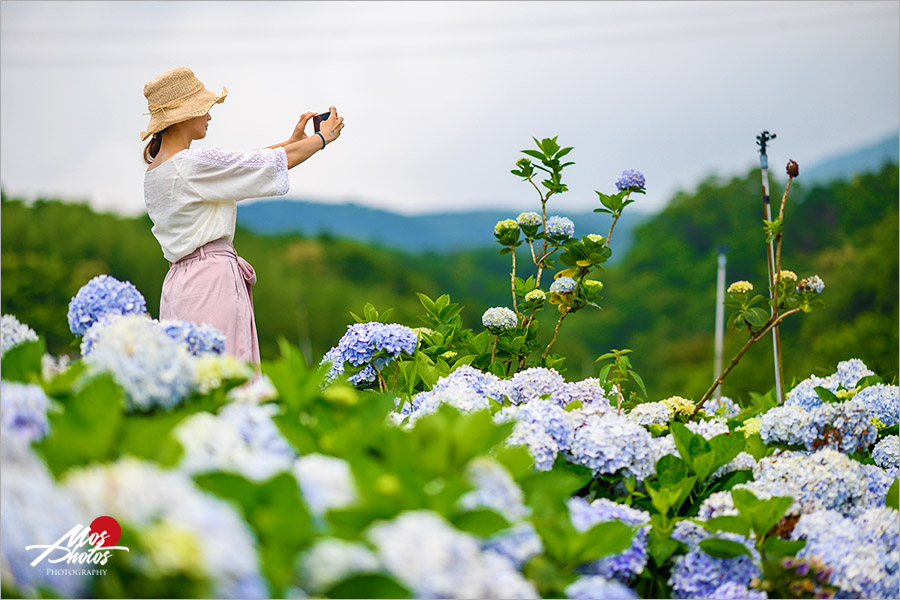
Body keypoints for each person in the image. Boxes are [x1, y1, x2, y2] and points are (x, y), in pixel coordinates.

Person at [141, 66, 344, 366]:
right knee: (226, 376)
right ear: (184, 115)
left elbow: (241, 165)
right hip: (211, 282)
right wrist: (322, 139)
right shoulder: (191, 164)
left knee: (190, 380)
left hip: (179, 286)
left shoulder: (157, 171)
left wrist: (293, 141)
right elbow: (258, 165)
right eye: (204, 108)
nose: (209, 115)